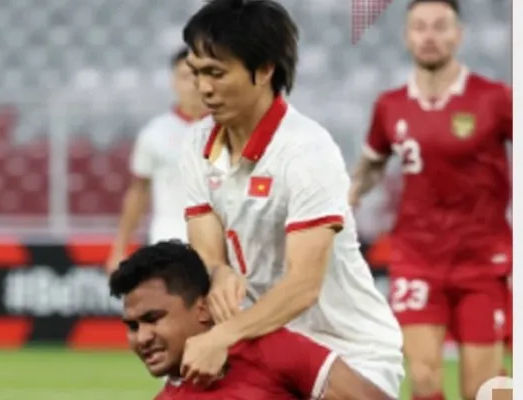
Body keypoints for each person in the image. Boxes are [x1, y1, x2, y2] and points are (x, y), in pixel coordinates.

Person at [176, 0, 404, 397]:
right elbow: (206, 246)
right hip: (265, 341)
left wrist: (222, 336)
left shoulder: (306, 151)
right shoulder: (197, 144)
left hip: (349, 349)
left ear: (264, 71)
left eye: (216, 72)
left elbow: (303, 285)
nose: (204, 88)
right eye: (197, 73)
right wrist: (217, 272)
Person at [348, 1, 512, 399]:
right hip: (416, 257)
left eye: (440, 26)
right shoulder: (391, 106)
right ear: (407, 37)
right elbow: (372, 165)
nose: (430, 36)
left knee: (483, 388)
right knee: (423, 379)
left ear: (459, 35)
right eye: (420, 27)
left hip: (481, 260)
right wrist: (344, 203)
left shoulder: (495, 99)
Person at [109, 240, 393, 400]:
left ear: (202, 309)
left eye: (153, 319)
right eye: (132, 327)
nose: (142, 337)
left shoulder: (269, 348)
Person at [106, 47, 208, 274]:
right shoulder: (155, 133)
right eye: (185, 76)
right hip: (168, 240)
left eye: (199, 75)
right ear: (173, 81)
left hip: (220, 245)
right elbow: (139, 190)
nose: (192, 84)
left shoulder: (230, 130)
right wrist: (120, 246)